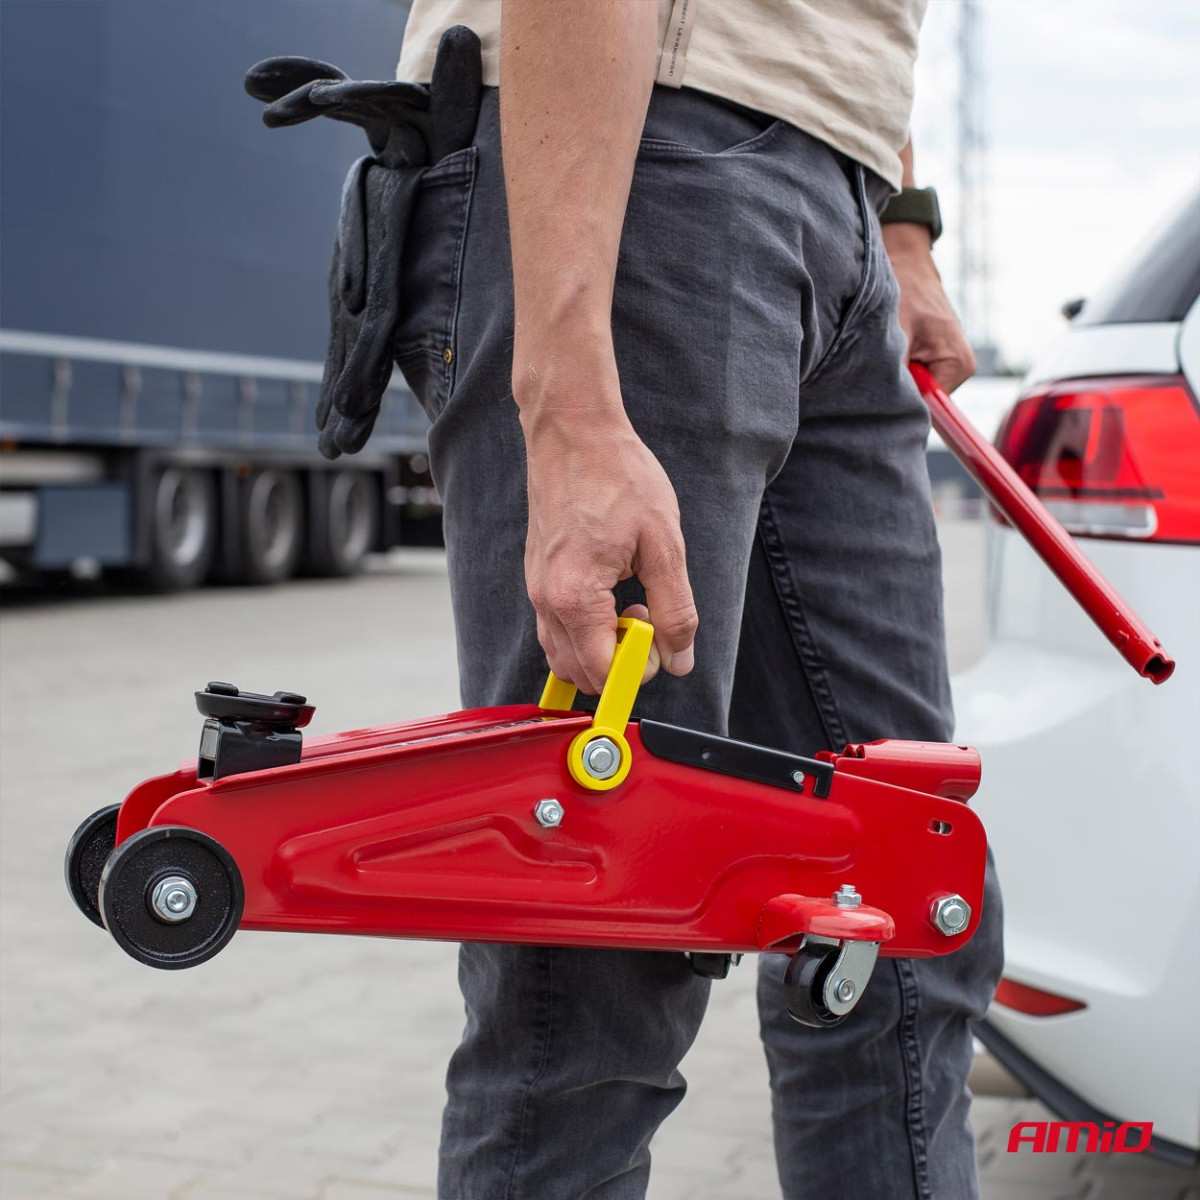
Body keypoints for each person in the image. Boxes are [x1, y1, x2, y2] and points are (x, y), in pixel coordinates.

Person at [390, 2, 1004, 1197]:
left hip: (839, 201)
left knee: (901, 901)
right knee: (593, 971)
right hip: (644, 155)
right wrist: (571, 404)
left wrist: (901, 228)